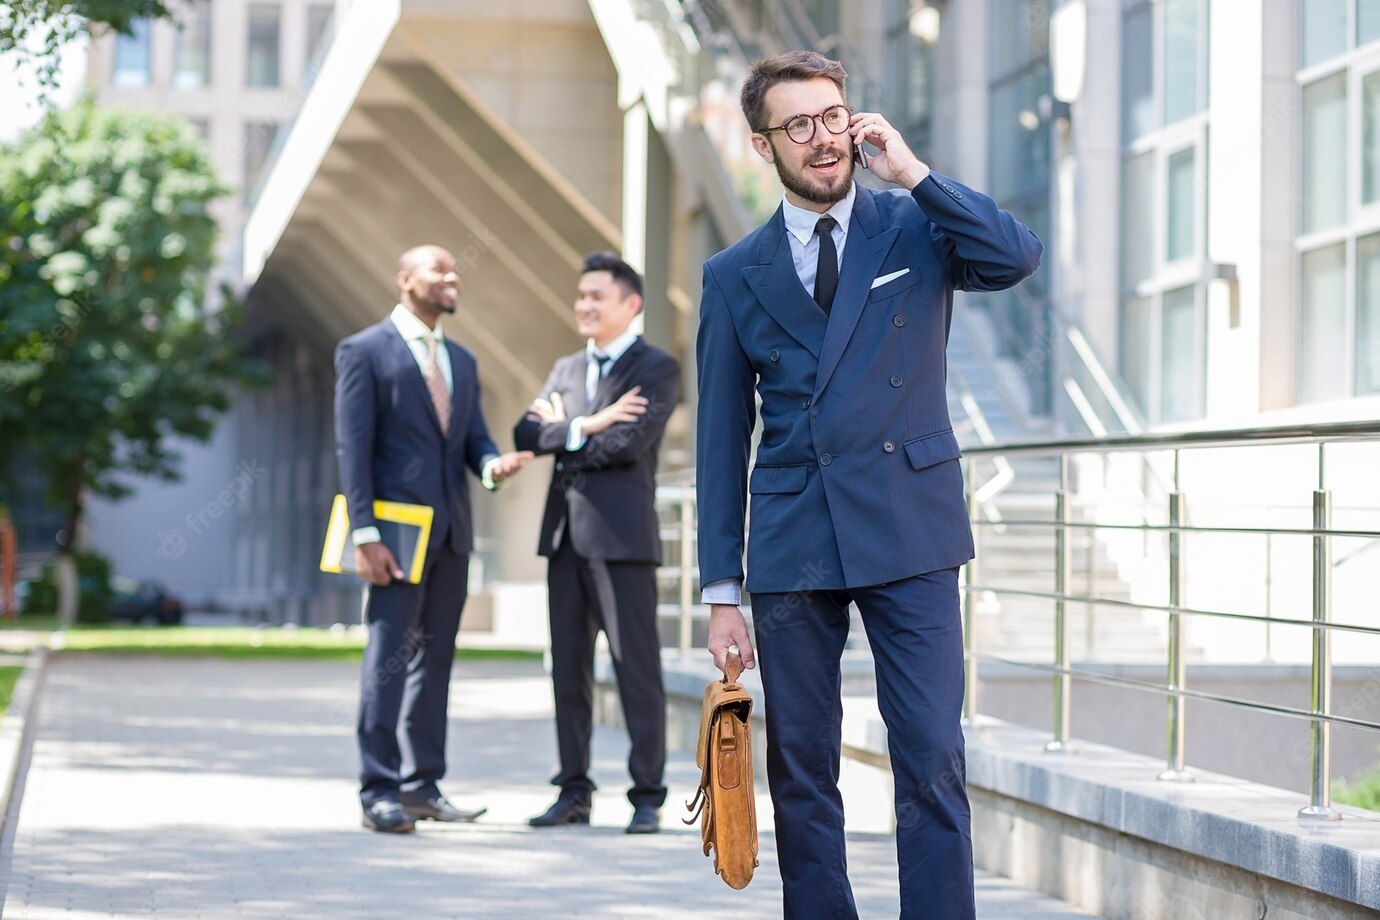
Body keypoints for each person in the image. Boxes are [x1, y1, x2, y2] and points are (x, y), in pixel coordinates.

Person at [695, 52, 1043, 918]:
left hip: (911, 527)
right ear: (761, 143)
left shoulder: (915, 223)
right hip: (792, 541)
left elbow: (1014, 257)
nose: (823, 139)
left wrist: (916, 172)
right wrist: (720, 590)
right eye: (798, 124)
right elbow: (718, 440)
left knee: (930, 757)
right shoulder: (733, 274)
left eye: (833, 115)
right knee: (801, 768)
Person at [334, 244, 532, 833]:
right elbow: (353, 448)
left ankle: (423, 785)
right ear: (404, 281)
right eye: (439, 270)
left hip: (451, 535)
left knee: (435, 663)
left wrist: (493, 466)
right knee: (387, 660)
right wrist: (364, 533)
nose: (452, 278)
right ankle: (379, 789)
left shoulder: (463, 361)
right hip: (393, 537)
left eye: (454, 271)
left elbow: (472, 441)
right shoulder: (364, 351)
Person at [514, 252, 680, 835]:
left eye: (596, 297)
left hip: (622, 540)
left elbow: (629, 445)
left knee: (636, 668)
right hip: (563, 540)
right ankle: (574, 791)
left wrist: (565, 434)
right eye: (580, 295)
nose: (584, 305)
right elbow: (523, 433)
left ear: (630, 305)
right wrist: (590, 423)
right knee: (568, 671)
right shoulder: (563, 368)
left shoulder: (656, 367)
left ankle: (647, 795)